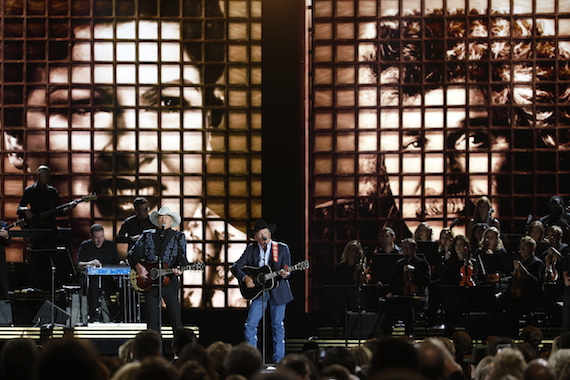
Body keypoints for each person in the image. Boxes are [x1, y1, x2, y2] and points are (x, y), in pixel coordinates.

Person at [1, 0, 249, 309]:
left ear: (208, 127)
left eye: (168, 104)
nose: (130, 146)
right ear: (15, 138)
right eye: (84, 107)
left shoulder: (246, 277)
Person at [231, 219, 293, 363]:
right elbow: (236, 267)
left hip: (278, 291)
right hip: (259, 292)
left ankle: (279, 360)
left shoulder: (281, 248)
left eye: (265, 233)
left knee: (278, 325)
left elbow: (287, 268)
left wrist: (286, 273)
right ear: (255, 237)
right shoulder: (251, 249)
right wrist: (245, 277)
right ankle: (252, 360)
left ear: (270, 234)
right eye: (260, 234)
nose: (263, 236)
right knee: (251, 324)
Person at [127, 206, 189, 332]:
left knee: (176, 320)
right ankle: (155, 349)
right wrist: (138, 266)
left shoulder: (179, 237)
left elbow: (183, 260)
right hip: (150, 283)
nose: (163, 220)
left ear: (172, 221)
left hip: (169, 282)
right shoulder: (147, 235)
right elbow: (131, 255)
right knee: (152, 323)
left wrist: (179, 269)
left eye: (166, 217)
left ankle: (179, 349)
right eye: (161, 217)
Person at [379, 238, 431, 337]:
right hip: (401, 296)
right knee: (387, 303)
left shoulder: (422, 263)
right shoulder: (399, 264)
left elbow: (427, 281)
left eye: (408, 247)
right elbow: (394, 282)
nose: (405, 250)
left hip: (418, 297)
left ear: (415, 248)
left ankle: (409, 334)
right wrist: (391, 292)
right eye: (403, 247)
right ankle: (385, 334)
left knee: (407, 304)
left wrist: (415, 270)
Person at [495, 236, 545, 338]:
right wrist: (503, 293)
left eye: (524, 248)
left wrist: (523, 270)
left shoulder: (537, 263)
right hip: (518, 295)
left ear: (533, 248)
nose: (521, 250)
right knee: (497, 302)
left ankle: (512, 334)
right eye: (520, 248)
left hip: (530, 297)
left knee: (511, 305)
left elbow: (536, 282)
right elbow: (513, 283)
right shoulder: (521, 263)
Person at [76, 224, 121, 322]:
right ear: (91, 236)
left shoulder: (110, 245)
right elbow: (78, 265)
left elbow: (117, 261)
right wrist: (90, 263)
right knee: (95, 284)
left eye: (101, 237)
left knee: (126, 285)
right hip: (91, 282)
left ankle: (122, 316)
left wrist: (122, 263)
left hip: (109, 280)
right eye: (96, 238)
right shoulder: (85, 246)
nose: (99, 240)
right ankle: (94, 318)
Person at [0, 225, 12, 301]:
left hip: (0, 265)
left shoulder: (1, 225)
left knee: (3, 291)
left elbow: (8, 242)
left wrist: (6, 236)